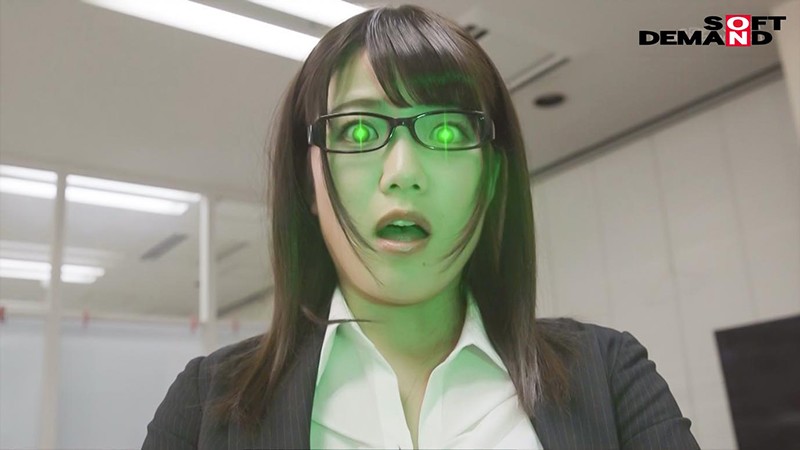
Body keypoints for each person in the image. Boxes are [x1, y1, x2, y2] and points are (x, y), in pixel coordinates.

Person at [142, 4, 700, 450]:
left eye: (448, 132)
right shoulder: (202, 407)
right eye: (359, 132)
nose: (403, 173)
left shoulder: (609, 375)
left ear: (492, 177)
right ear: (308, 181)